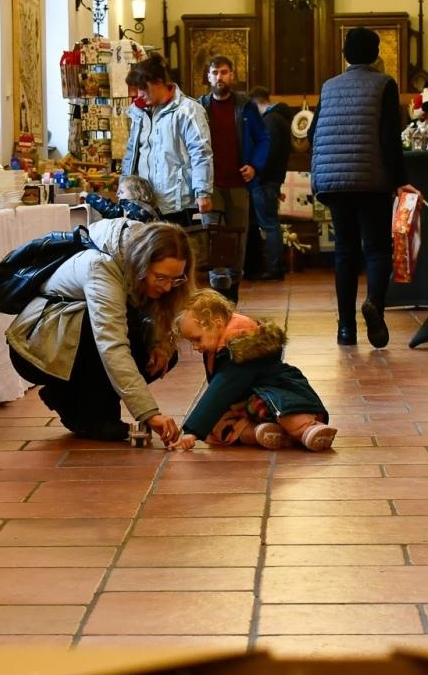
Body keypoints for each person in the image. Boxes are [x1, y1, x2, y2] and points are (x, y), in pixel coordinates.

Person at [6, 219, 193, 443]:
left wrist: (160, 344)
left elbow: (154, 319)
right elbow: (111, 344)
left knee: (164, 355)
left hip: (72, 342)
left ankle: (76, 400)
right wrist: (149, 414)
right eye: (160, 277)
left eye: (176, 279)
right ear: (141, 264)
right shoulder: (101, 267)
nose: (167, 287)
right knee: (102, 331)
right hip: (36, 348)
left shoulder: (135, 248)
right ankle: (80, 403)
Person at [310, 26, 409, 349]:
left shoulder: (329, 87)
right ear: (376, 54)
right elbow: (389, 137)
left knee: (345, 252)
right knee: (377, 249)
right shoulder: (384, 84)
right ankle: (374, 304)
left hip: (334, 181)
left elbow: (314, 134)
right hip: (371, 180)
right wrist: (399, 180)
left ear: (345, 55)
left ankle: (345, 328)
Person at [169, 289, 336, 452]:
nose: (195, 347)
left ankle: (309, 429)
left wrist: (192, 431)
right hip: (248, 404)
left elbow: (220, 391)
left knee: (278, 407)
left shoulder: (240, 349)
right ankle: (259, 432)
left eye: (197, 339)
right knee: (218, 425)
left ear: (217, 324)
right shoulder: (219, 346)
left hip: (276, 393)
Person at [120, 55, 212, 226]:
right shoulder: (139, 113)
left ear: (158, 81)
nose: (139, 94)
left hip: (178, 203)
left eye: (143, 88)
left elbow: (201, 153)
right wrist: (122, 189)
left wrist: (202, 192)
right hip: (144, 204)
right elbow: (131, 154)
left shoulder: (188, 111)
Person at [197, 57, 267, 246]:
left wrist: (254, 165)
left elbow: (263, 138)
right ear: (209, 77)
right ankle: (217, 277)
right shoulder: (200, 108)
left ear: (232, 75)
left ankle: (235, 276)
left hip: (238, 183)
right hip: (210, 184)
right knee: (212, 238)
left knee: (238, 238)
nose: (219, 77)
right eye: (215, 72)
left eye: (224, 72)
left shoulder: (246, 107)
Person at [244, 86, 291, 280]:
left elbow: (268, 154)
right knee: (269, 223)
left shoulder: (270, 121)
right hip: (271, 179)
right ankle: (271, 266)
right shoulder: (279, 119)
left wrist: (258, 173)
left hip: (265, 180)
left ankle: (274, 267)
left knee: (269, 224)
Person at [85, 174, 159, 222]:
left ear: (136, 193)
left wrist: (88, 196)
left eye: (121, 192)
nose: (117, 195)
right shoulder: (150, 209)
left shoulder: (131, 208)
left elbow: (109, 209)